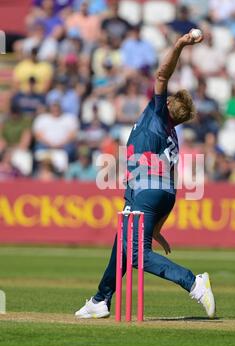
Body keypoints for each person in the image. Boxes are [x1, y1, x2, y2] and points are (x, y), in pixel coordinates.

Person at [75, 31, 216, 320]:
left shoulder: (157, 112)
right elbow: (171, 185)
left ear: (166, 105)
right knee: (123, 245)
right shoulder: (172, 133)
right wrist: (157, 226)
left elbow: (163, 74)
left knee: (137, 253)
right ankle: (100, 299)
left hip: (146, 188)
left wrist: (179, 44)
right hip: (163, 192)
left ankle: (193, 282)